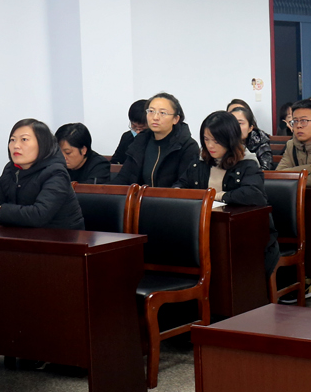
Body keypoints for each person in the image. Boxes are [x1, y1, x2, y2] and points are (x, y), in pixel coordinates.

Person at [185, 110, 277, 275]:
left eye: (216, 141)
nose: (210, 146)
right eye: (206, 139)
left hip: (246, 234)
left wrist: (217, 196)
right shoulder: (200, 162)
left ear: (230, 139)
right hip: (207, 230)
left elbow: (253, 194)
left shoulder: (247, 163)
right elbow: (182, 184)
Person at [0, 118, 84, 230]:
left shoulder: (56, 173)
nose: (16, 146)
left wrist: (2, 211)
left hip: (62, 237)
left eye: (24, 139)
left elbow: (39, 215)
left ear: (42, 144)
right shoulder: (11, 169)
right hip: (22, 234)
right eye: (12, 140)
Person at [112, 92, 199, 188]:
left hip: (170, 197)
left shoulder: (188, 146)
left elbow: (183, 184)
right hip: (140, 196)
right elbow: (124, 177)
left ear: (175, 119)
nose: (155, 117)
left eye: (162, 113)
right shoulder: (140, 141)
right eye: (151, 111)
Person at [226, 98, 273, 171]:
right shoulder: (222, 140)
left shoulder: (259, 140)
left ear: (250, 127)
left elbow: (265, 170)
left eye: (239, 123)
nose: (235, 126)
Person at [112, 99, 148, 166]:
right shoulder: (127, 137)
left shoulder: (157, 139)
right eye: (134, 126)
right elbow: (115, 161)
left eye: (142, 128)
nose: (137, 132)